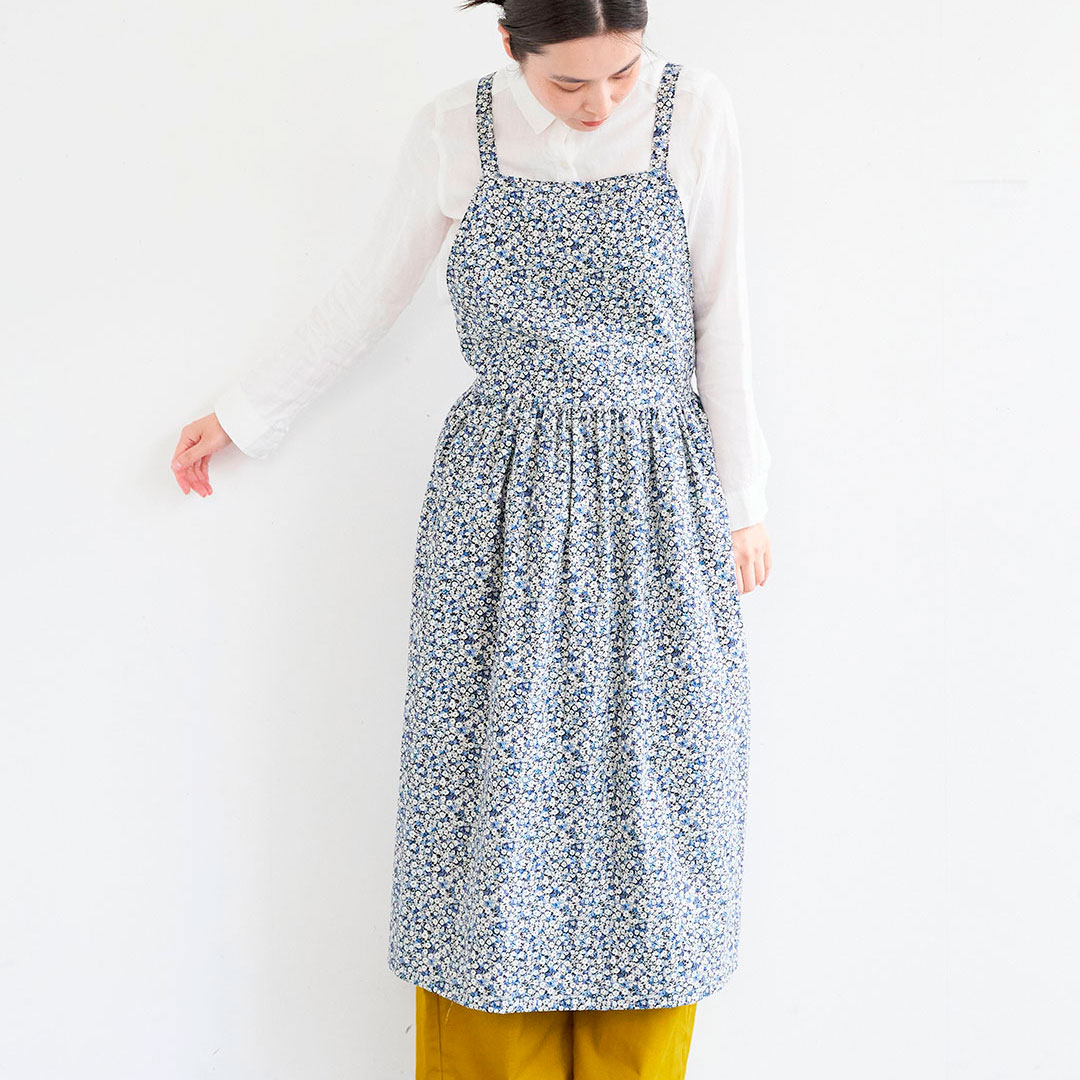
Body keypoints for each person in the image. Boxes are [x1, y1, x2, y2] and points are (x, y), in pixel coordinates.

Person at [172, 1, 772, 1076]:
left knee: (659, 795)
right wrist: (245, 414)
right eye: (569, 83)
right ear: (509, 46)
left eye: (621, 75)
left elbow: (724, 314)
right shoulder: (458, 128)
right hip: (501, 506)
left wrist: (744, 503)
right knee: (492, 799)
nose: (599, 104)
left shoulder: (696, 111)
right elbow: (371, 291)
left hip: (656, 501)